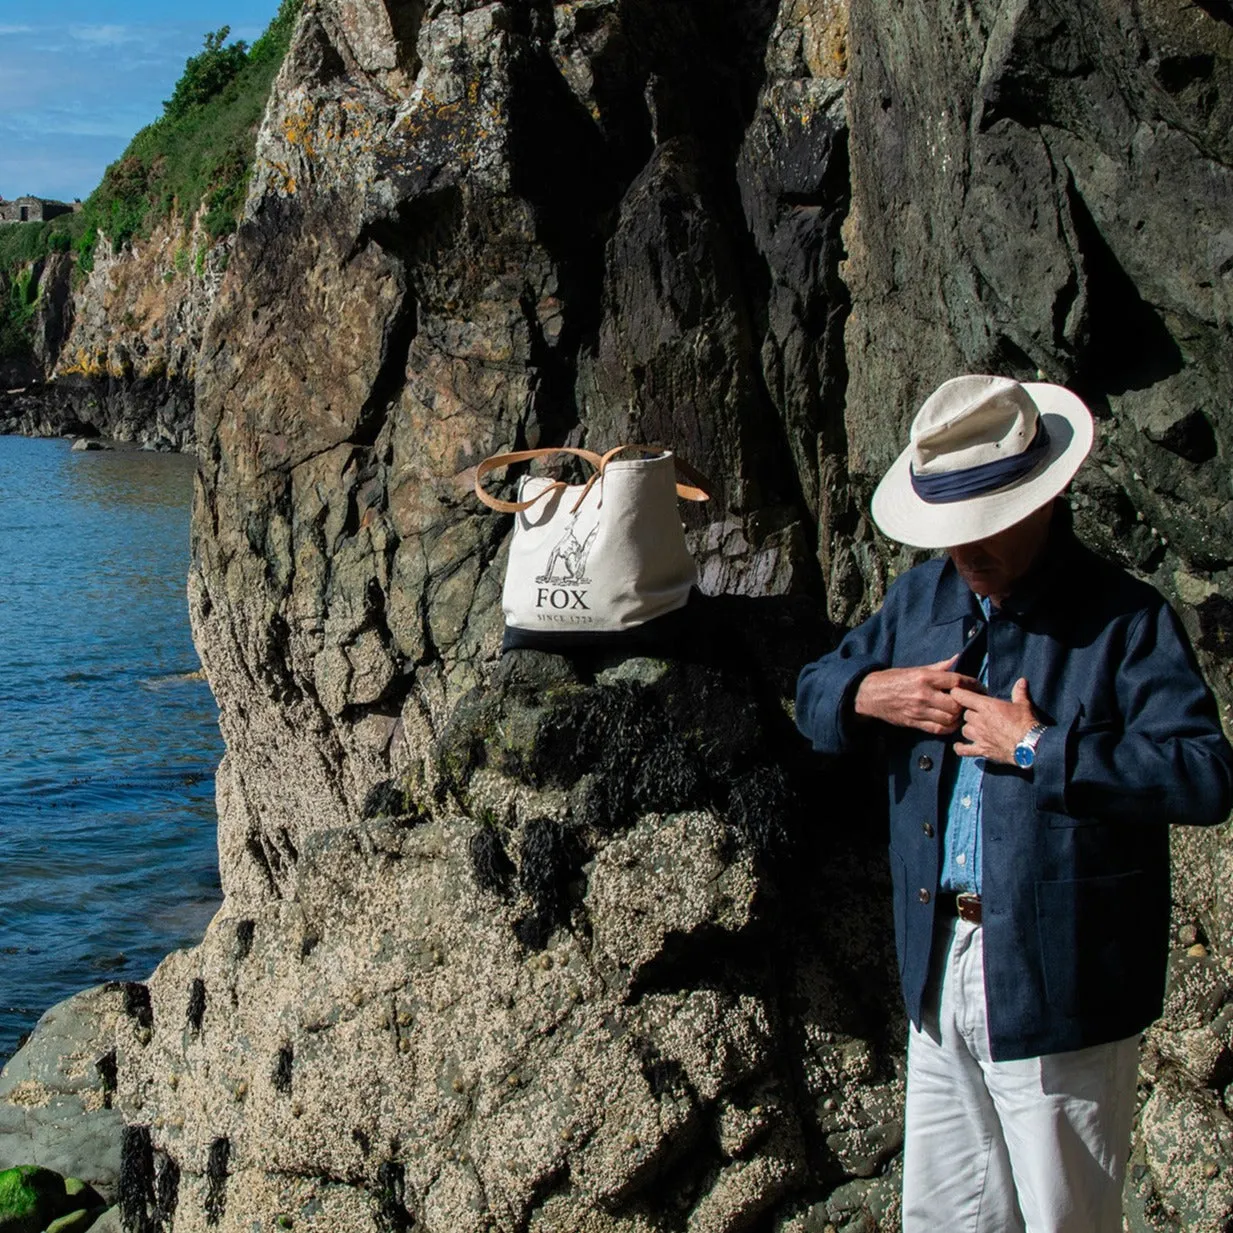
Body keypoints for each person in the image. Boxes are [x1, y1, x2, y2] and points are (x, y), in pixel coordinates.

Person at [795, 374, 1233, 1232]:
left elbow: (1202, 773)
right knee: (943, 1217)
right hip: (934, 960)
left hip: (1060, 976)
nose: (965, 553)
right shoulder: (923, 597)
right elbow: (813, 688)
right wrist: (867, 693)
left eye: (983, 529)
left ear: (1044, 500)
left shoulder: (1123, 618)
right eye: (951, 533)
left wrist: (1037, 746)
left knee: (1063, 1219)